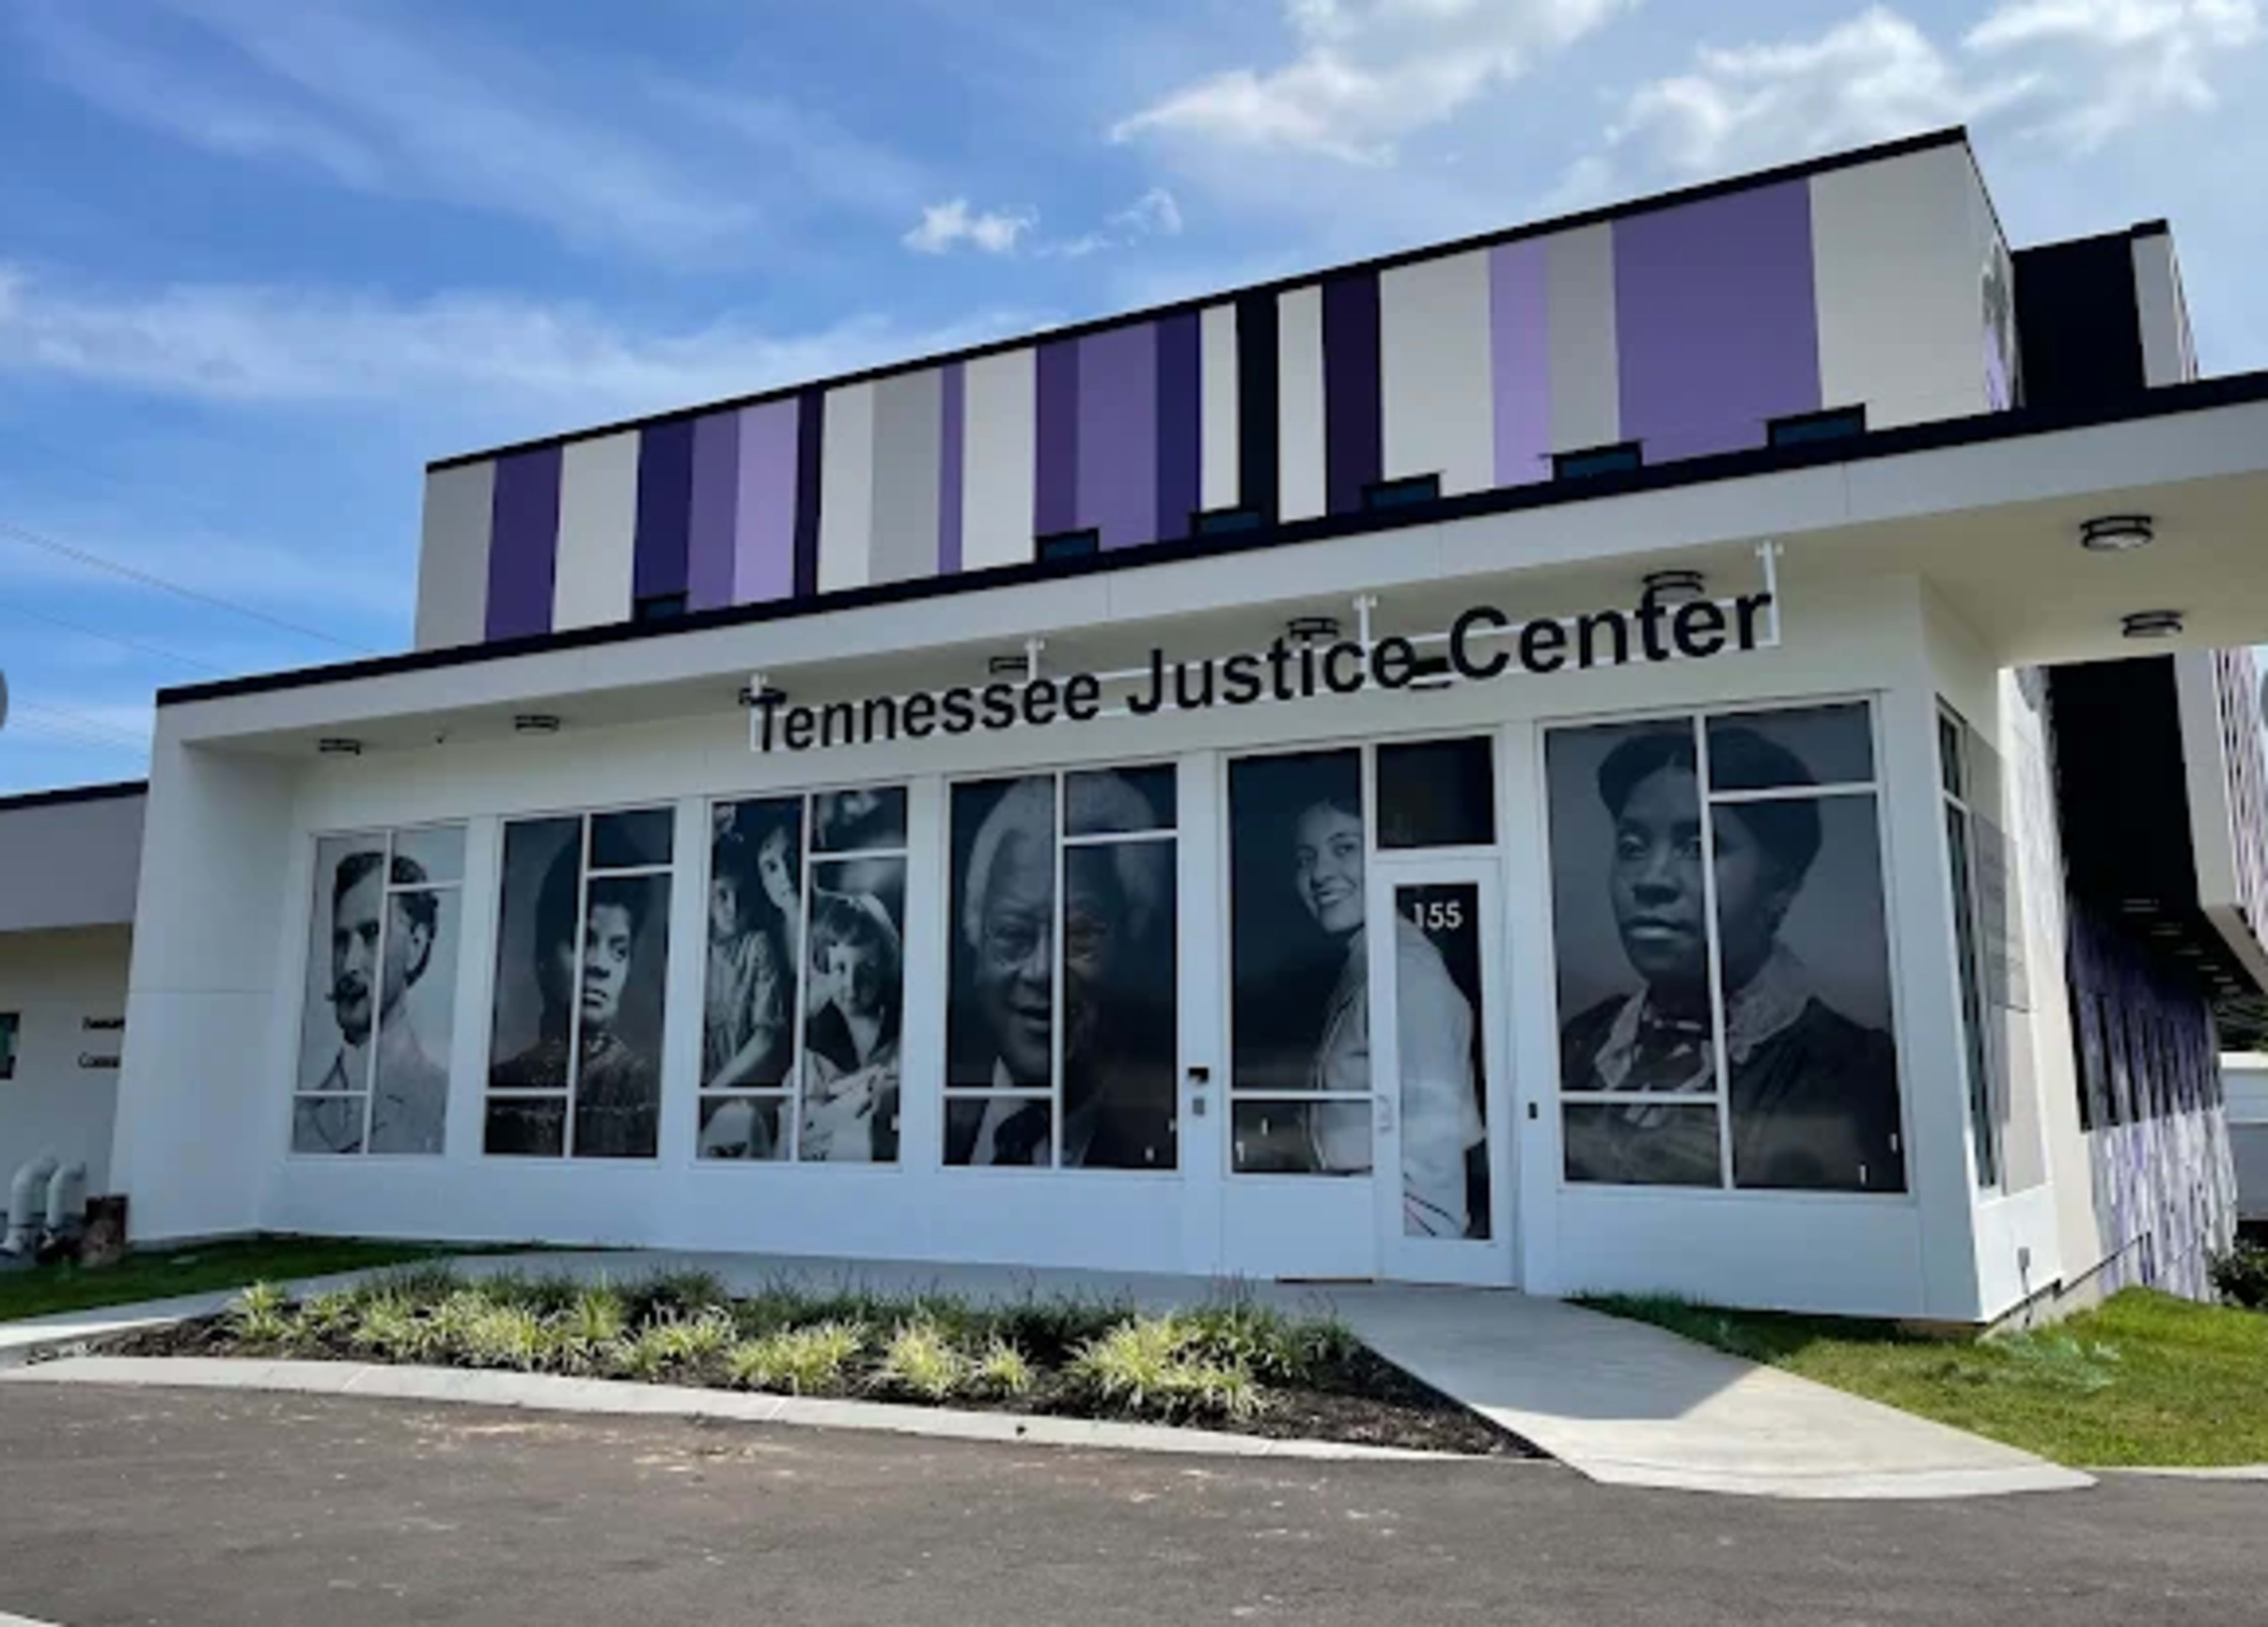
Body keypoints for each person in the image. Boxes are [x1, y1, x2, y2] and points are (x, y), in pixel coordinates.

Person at [1559, 725, 1903, 1192]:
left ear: (1781, 886)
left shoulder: (1849, 1068)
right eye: (1632, 848)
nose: (1651, 880)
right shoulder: (1583, 1044)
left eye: (1699, 848)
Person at [949, 774, 1174, 1168]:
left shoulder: (1177, 1138)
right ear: (976, 946)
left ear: (1134, 947)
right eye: (1013, 934)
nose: (1042, 971)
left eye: (1080, 935)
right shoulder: (906, 1112)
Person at [1292, 794, 1485, 1235]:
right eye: (1306, 859)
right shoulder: (1366, 960)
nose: (1320, 874)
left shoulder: (1406, 971)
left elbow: (1432, 1138)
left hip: (1396, 1223)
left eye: (1345, 848)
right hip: (1356, 1208)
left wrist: (1420, 1253)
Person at [489, 839, 659, 1157]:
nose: (599, 966)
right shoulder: (501, 1082)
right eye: (584, 942)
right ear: (544, 953)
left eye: (619, 952)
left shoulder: (639, 1086)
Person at [299, 849, 448, 1154]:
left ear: (416, 946)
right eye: (341, 940)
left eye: (371, 934)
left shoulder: (446, 1103)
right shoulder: (300, 1112)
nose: (349, 964)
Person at [798, 890, 903, 1161]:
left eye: (866, 969)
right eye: (840, 969)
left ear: (885, 965)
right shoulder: (814, 1041)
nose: (852, 986)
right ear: (823, 966)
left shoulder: (904, 1028)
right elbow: (800, 1128)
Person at [702, 828, 790, 1094]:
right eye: (722, 895)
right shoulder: (696, 954)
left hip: (745, 1087)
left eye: (741, 894)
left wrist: (714, 1091)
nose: (734, 907)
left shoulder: (756, 947)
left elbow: (765, 1038)